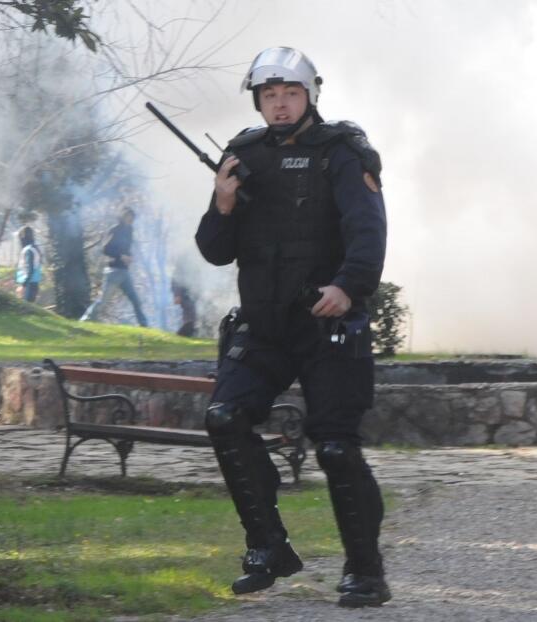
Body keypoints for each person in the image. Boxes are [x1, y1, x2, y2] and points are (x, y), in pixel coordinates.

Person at [194, 47, 389, 608]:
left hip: (326, 324)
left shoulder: (343, 153)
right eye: (269, 96)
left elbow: (368, 230)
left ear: (311, 96)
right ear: (259, 100)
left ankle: (365, 570)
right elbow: (213, 250)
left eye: (290, 95)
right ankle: (268, 546)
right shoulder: (242, 153)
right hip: (263, 325)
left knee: (334, 448)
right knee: (225, 418)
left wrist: (347, 286)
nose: (279, 106)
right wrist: (223, 203)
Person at [80, 207, 148, 327]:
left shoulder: (130, 231)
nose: (130, 220)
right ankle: (85, 320)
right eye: (128, 217)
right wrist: (120, 256)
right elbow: (105, 249)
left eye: (132, 218)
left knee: (136, 300)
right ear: (123, 217)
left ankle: (144, 325)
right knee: (102, 301)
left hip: (124, 272)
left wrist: (130, 257)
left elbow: (126, 249)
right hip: (113, 271)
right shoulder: (115, 230)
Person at [14, 226, 42, 303]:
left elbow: (30, 270)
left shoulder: (28, 250)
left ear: (23, 238)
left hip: (29, 284)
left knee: (26, 309)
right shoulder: (34, 248)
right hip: (33, 283)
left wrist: (23, 286)